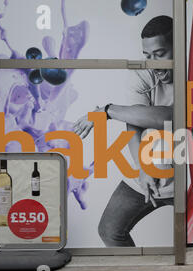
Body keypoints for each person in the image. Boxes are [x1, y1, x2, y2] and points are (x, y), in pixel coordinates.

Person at [73, 15, 174, 246]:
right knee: (109, 230)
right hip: (149, 170)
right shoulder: (141, 74)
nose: (152, 63)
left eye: (159, 55)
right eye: (147, 55)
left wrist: (107, 110)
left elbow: (172, 117)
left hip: (188, 176)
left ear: (176, 48)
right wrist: (142, 167)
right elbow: (135, 120)